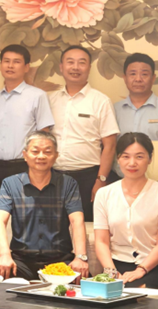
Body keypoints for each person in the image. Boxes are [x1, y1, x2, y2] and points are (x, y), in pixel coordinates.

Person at [0, 131, 89, 280]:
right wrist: (4, 255)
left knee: (85, 284)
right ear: (25, 155)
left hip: (60, 261)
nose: (41, 156)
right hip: (21, 261)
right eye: (35, 151)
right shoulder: (10, 184)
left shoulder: (68, 184)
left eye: (47, 152)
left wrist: (80, 257)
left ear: (56, 156)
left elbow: (77, 221)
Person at [94, 133, 158, 290]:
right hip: (116, 265)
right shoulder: (104, 194)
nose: (132, 163)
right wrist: (111, 272)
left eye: (139, 157)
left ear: (150, 159)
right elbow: (101, 241)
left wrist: (141, 270)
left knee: (134, 292)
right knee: (105, 292)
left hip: (156, 266)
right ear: (118, 159)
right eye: (125, 157)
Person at [49, 45, 119, 221]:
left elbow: (110, 145)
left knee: (86, 226)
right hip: (53, 176)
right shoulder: (50, 100)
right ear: (61, 67)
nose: (75, 67)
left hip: (87, 177)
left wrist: (101, 180)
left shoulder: (101, 101)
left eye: (81, 63)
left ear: (89, 68)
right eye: (70, 62)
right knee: (54, 226)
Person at [0, 45, 54, 190]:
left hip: (24, 166)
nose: (10, 66)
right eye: (6, 61)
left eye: (16, 62)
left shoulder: (37, 96)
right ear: (0, 65)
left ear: (26, 67)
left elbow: (44, 134)